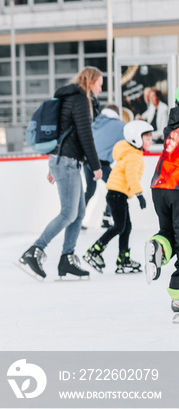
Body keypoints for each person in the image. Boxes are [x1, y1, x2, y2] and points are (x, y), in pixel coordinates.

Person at [18, 66, 104, 280]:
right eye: (99, 85)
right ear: (91, 81)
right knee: (68, 213)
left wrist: (52, 164)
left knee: (79, 213)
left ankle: (66, 258)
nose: (100, 90)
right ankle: (35, 250)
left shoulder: (70, 98)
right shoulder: (81, 100)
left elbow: (62, 133)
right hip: (66, 162)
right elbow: (85, 136)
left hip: (63, 160)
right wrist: (95, 166)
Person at [82, 120, 152, 274]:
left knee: (126, 227)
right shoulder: (134, 156)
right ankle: (94, 251)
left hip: (117, 195)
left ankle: (123, 259)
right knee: (120, 226)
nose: (151, 141)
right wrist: (140, 195)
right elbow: (131, 177)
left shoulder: (132, 153)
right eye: (148, 138)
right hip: (117, 195)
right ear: (137, 139)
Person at [145, 86, 179, 321]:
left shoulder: (172, 125)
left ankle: (157, 247)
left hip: (159, 186)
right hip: (178, 188)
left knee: (168, 233)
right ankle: (178, 298)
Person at [85, 104, 125, 228]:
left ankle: (77, 217)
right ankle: (107, 217)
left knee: (90, 190)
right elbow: (128, 142)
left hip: (86, 161)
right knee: (116, 186)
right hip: (100, 162)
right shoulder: (120, 126)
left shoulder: (96, 123)